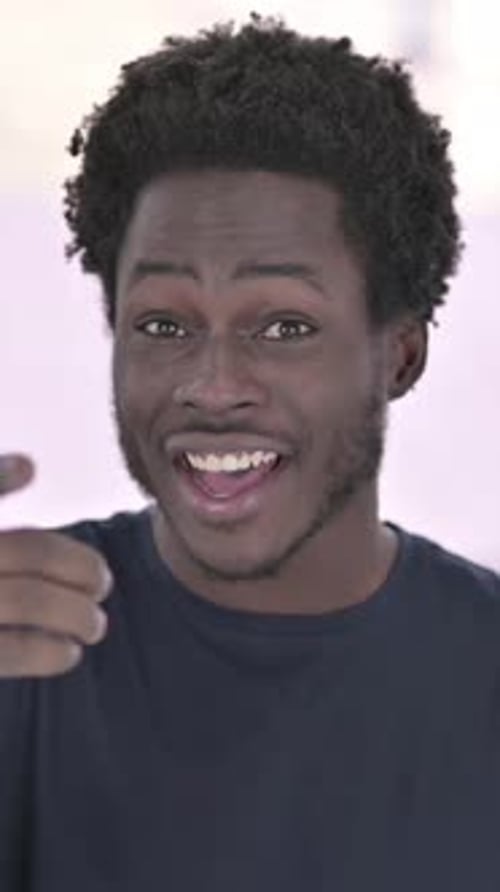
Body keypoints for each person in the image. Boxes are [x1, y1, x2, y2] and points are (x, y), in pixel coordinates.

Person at [0, 14, 499, 891]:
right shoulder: (21, 646)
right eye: (161, 323)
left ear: (400, 354)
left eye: (284, 325)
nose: (212, 383)